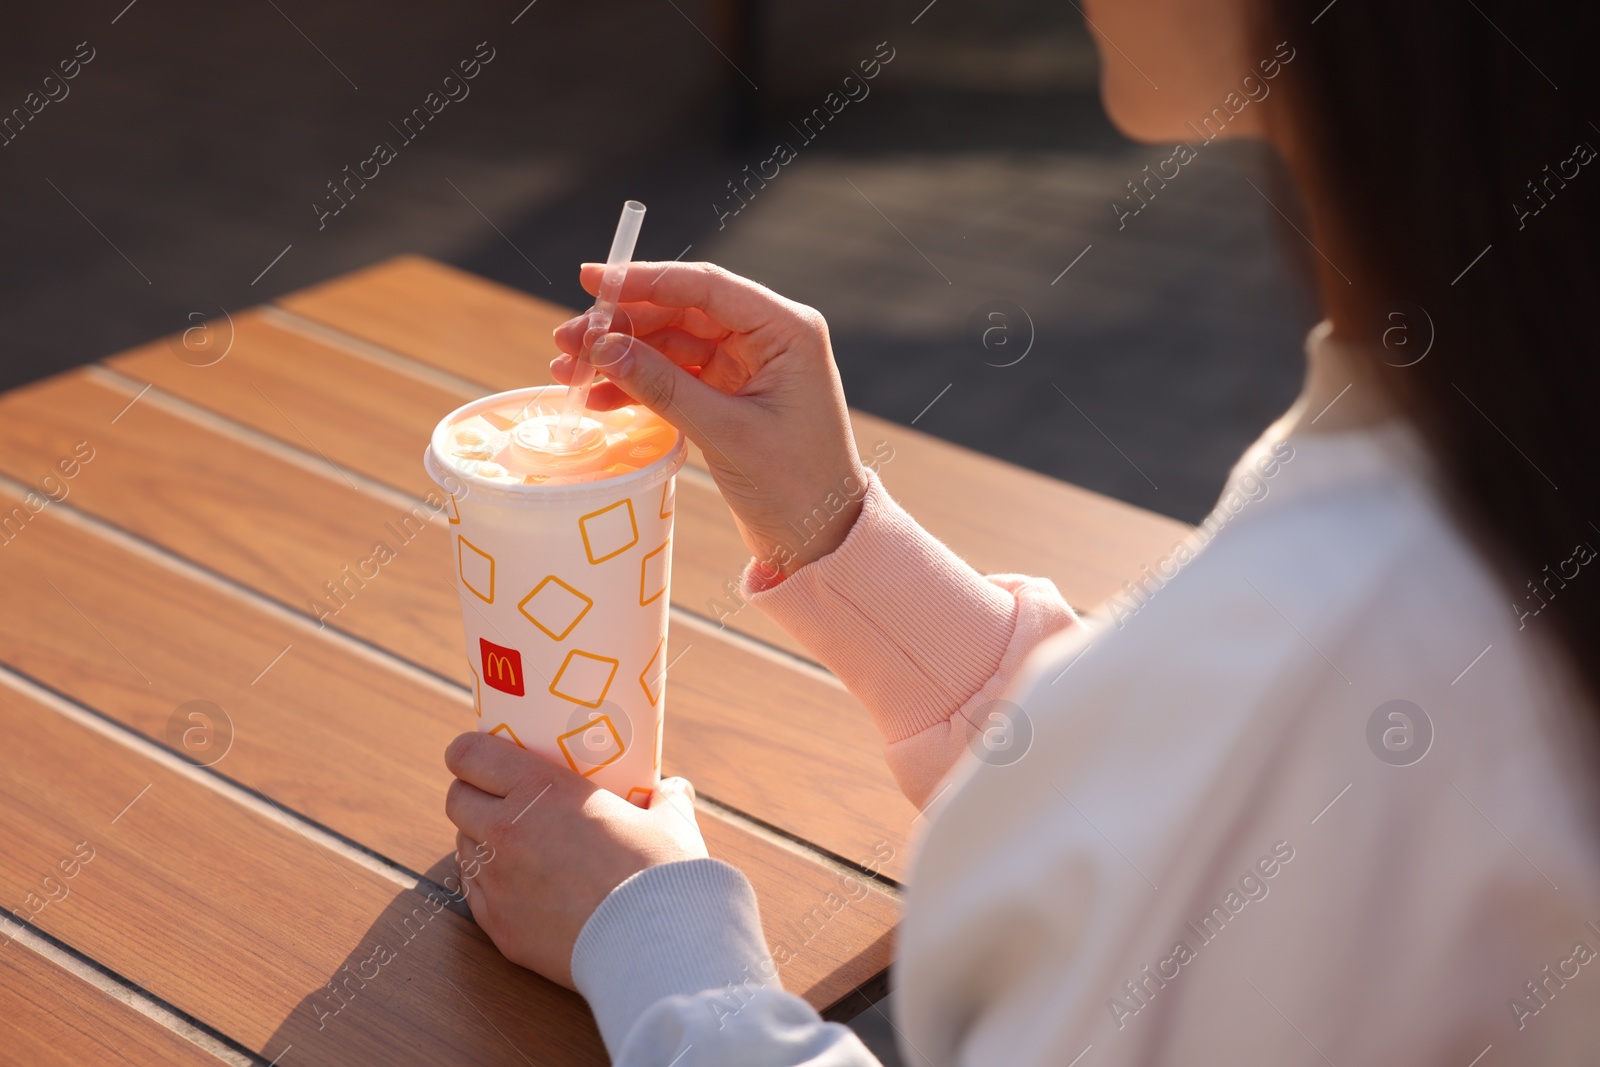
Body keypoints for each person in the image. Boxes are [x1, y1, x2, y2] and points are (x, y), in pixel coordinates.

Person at [443, 0, 1600, 1062]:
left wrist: (658, 947)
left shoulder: (1341, 650)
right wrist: (830, 523)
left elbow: (1241, 764)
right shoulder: (1467, 449)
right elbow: (1167, 787)